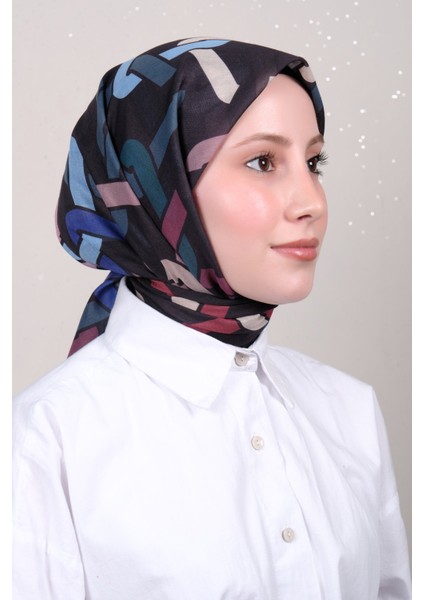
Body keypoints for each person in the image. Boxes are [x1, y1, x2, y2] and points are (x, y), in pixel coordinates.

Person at [12, 37, 411, 599]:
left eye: (313, 162)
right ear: (155, 183)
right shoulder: (46, 440)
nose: (312, 202)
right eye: (262, 162)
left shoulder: (349, 411)